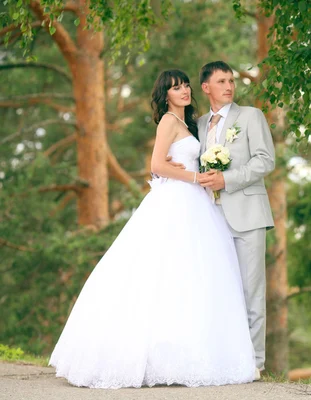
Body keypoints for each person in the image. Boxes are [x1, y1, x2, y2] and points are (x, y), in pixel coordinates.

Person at [48, 69, 256, 389]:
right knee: (161, 274)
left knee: (195, 279)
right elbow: (156, 166)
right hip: (175, 203)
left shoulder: (191, 125)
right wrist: (195, 177)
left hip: (197, 205)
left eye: (185, 85)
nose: (183, 91)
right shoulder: (168, 123)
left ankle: (188, 355)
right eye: (175, 88)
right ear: (166, 96)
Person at [194, 61, 276, 379]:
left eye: (231, 80)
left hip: (248, 215)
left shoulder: (250, 116)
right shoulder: (199, 125)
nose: (229, 86)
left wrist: (227, 179)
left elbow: (265, 160)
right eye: (222, 81)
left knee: (251, 290)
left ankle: (255, 362)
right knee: (219, 291)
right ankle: (222, 358)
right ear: (206, 87)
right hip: (210, 219)